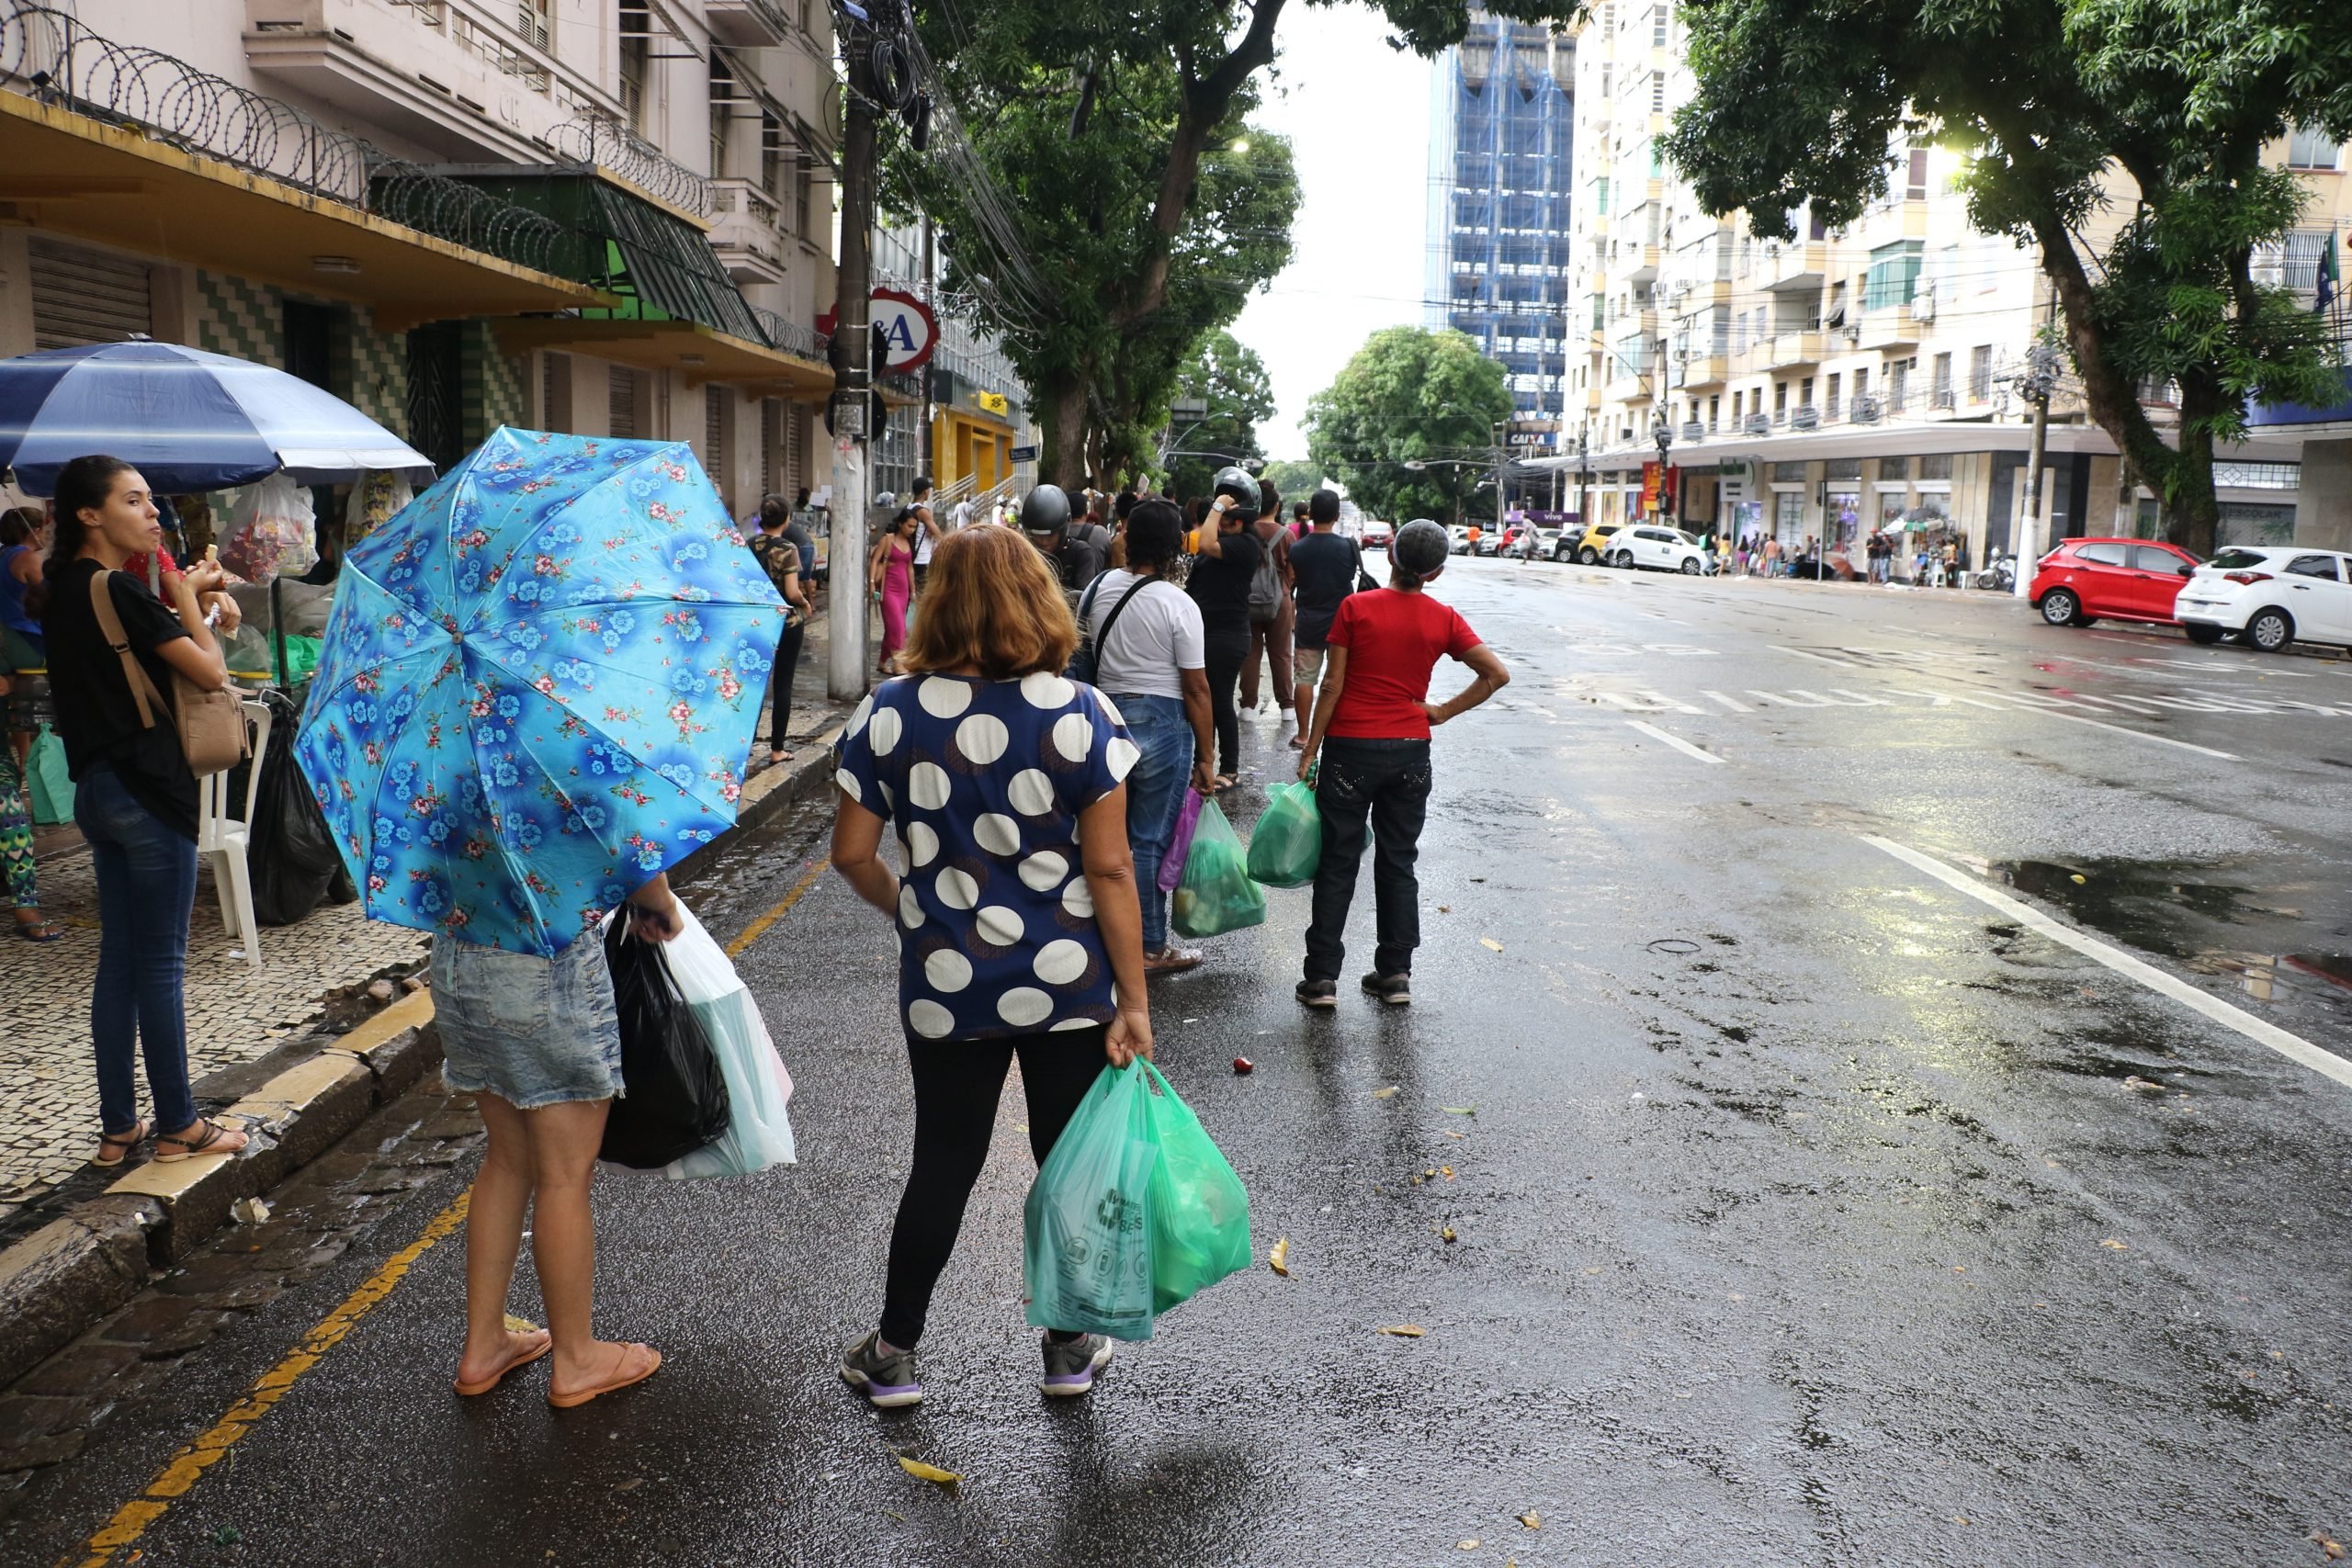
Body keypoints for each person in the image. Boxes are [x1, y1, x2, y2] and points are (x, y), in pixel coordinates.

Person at [830, 525, 1153, 1405]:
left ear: (938, 601)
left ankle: (894, 1350)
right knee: (1065, 1159)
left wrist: (908, 904)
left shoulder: (890, 710)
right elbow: (1113, 869)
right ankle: (1066, 1346)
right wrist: (1134, 999)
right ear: (1036, 599)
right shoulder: (1081, 713)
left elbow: (851, 854)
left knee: (944, 1155)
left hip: (946, 979)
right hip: (1070, 983)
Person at [39, 457, 250, 1167]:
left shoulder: (62, 589)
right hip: (147, 791)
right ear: (88, 514)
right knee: (160, 965)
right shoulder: (119, 592)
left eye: (152, 500)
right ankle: (181, 1124)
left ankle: (117, 1127)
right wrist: (188, 594)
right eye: (135, 500)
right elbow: (212, 671)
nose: (153, 511)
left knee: (121, 963)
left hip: (96, 793)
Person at [1294, 519, 1510, 1010]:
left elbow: (1331, 685)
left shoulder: (1355, 608)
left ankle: (1322, 980)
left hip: (1349, 751)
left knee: (1338, 863)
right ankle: (1394, 975)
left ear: (1390, 555)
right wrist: (1440, 712)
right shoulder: (1443, 618)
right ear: (1434, 573)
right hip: (1411, 750)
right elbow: (1496, 674)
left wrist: (1311, 748)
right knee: (1398, 861)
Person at [1080, 497, 1218, 972]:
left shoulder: (1096, 589)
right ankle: (1148, 947)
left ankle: (1104, 935)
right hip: (1163, 723)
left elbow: (1080, 663)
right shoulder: (1179, 604)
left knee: (1104, 836)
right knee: (1147, 840)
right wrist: (1207, 756)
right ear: (1175, 546)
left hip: (1102, 720)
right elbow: (1197, 689)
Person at [1184, 469, 1262, 791]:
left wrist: (1217, 507)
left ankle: (1229, 768)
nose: (1224, 523)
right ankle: (1203, 760)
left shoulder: (1245, 546)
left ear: (1243, 521)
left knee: (1218, 701)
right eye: (1221, 518)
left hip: (1227, 636)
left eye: (1231, 518)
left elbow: (1204, 541)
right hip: (1204, 632)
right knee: (1203, 700)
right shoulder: (1220, 544)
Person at [1287, 489, 1361, 746]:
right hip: (1342, 624)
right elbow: (1349, 578)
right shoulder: (1347, 547)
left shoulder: (1298, 548)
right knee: (1338, 678)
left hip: (1308, 622)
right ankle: (1336, 730)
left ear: (1311, 513)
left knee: (1305, 679)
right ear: (1337, 515)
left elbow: (1293, 581)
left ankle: (1304, 734)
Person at [751, 496, 812, 765]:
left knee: (752, 684)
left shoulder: (747, 545)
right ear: (786, 519)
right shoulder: (788, 548)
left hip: (755, 622)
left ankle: (747, 743)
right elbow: (791, 592)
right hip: (786, 623)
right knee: (782, 684)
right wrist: (806, 603)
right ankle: (777, 750)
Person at [1238, 482, 1295, 730]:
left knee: (1250, 653)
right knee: (1281, 653)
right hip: (1279, 599)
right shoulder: (1287, 535)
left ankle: (1248, 706)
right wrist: (1283, 589)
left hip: (1247, 597)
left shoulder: (1245, 531)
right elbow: (1293, 573)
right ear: (1276, 506)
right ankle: (1287, 707)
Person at [1018, 483, 1110, 608]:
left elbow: (1082, 600)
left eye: (1050, 536)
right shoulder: (1022, 554)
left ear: (1063, 529)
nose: (1043, 542)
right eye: (1037, 536)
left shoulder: (1081, 552)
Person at [871, 507, 919, 673]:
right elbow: (875, 560)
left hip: (903, 590)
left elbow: (910, 567)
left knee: (893, 627)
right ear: (900, 523)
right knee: (898, 628)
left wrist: (913, 590)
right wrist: (871, 582)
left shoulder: (909, 542)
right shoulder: (888, 539)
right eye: (909, 526)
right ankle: (898, 663)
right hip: (888, 589)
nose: (911, 530)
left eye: (914, 527)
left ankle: (882, 662)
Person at [908, 475, 941, 596]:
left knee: (912, 594)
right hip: (922, 558)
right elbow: (937, 533)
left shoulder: (908, 508)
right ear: (926, 491)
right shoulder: (923, 511)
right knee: (924, 595)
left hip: (910, 557)